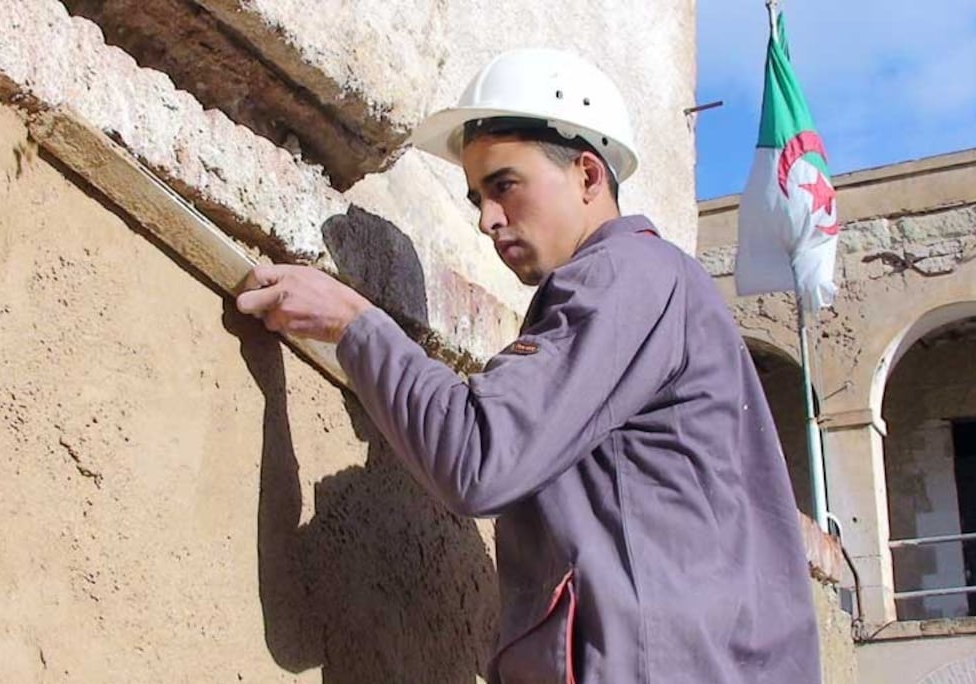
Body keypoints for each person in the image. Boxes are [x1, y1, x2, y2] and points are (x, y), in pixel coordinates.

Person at [236, 48, 821, 684]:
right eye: (476, 197)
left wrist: (353, 323)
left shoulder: (624, 275)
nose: (487, 220)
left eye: (505, 185)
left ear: (589, 176)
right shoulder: (659, 291)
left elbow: (479, 458)